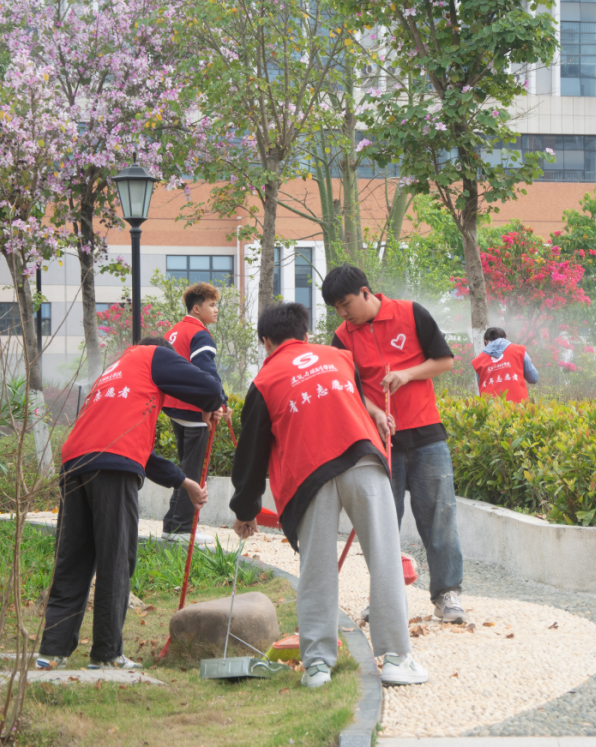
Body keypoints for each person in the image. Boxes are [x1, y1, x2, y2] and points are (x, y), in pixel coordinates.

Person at [229, 303, 429, 688]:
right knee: (385, 559)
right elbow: (352, 400)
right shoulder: (339, 357)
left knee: (317, 570)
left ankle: (318, 665)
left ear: (267, 342)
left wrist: (245, 509)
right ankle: (396, 660)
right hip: (363, 462)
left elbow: (251, 453)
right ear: (305, 334)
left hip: (310, 476)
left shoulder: (265, 381)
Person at [36, 336, 224, 671]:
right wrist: (214, 403)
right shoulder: (152, 355)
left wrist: (185, 482)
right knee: (116, 557)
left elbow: (140, 454)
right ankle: (107, 654)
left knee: (73, 561)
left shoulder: (114, 374)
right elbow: (208, 387)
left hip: (75, 464)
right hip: (110, 467)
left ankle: (52, 652)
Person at [319, 265, 467, 624]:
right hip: (380, 440)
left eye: (346, 303)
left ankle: (447, 596)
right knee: (382, 522)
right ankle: (384, 598)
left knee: (439, 516)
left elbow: (445, 361)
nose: (343, 314)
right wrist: (375, 414)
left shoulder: (411, 313)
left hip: (427, 434)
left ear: (366, 292)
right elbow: (348, 387)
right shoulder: (342, 338)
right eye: (336, 309)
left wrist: (407, 373)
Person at [160, 282, 229, 544]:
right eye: (212, 305)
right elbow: (206, 373)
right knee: (195, 471)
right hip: (195, 410)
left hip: (174, 406)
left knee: (186, 468)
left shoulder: (174, 332)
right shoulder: (200, 334)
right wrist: (214, 403)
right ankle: (181, 528)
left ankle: (174, 525)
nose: (216, 310)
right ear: (197, 308)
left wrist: (219, 400)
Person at [472, 326, 539, 402]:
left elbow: (481, 386)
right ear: (506, 339)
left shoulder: (478, 360)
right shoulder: (519, 351)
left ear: (486, 342)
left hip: (491, 409)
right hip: (518, 407)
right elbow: (533, 378)